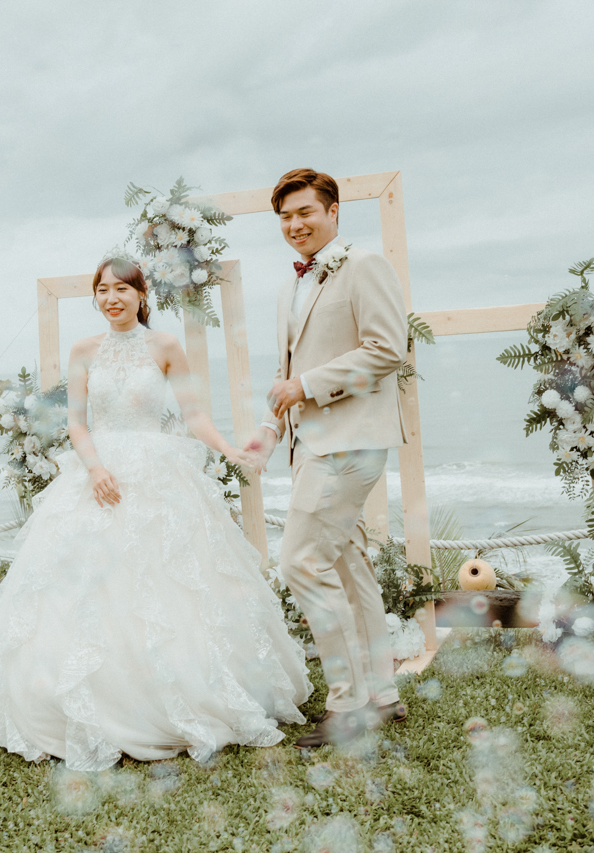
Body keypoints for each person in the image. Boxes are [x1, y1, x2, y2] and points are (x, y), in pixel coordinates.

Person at [0, 257, 311, 770]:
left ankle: (180, 691)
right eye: (102, 290)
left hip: (157, 472)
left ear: (141, 295)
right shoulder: (83, 351)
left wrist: (228, 450)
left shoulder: (165, 346)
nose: (112, 298)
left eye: (122, 289)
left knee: (170, 582)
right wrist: (96, 469)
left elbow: (193, 414)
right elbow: (77, 423)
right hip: (99, 473)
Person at [242, 168, 410, 748]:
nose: (295, 225)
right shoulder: (290, 287)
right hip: (311, 444)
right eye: (285, 217)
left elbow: (387, 349)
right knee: (346, 566)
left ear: (333, 212)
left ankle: (348, 705)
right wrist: (271, 428)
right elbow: (290, 372)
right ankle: (381, 695)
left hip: (349, 441)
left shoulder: (363, 265)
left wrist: (308, 385)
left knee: (301, 565)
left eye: (305, 212)